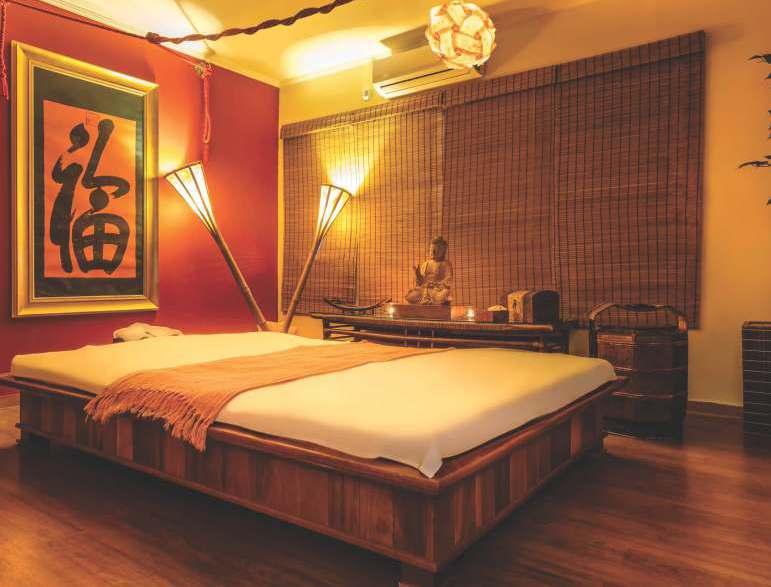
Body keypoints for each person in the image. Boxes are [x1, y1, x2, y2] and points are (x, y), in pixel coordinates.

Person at [405, 236, 453, 305]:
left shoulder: (446, 264)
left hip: (437, 291)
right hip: (424, 290)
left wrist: (435, 285)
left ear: (443, 251)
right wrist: (418, 276)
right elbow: (421, 282)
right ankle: (428, 300)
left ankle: (430, 301)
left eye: (437, 250)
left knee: (443, 295)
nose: (434, 252)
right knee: (410, 297)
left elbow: (448, 280)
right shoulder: (426, 264)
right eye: (432, 250)